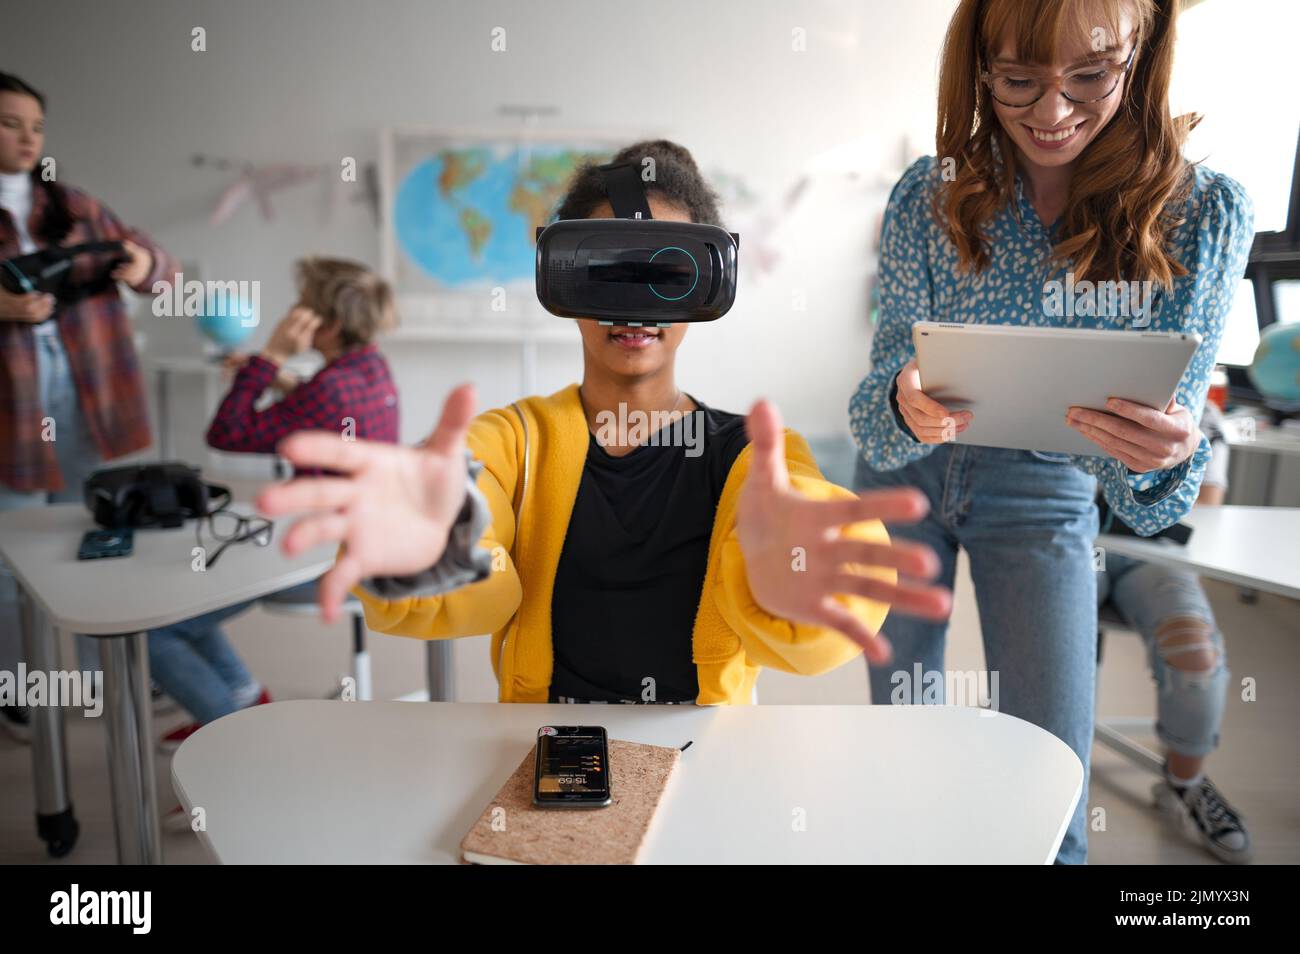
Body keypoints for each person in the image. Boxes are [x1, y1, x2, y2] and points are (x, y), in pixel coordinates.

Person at [259, 140, 952, 706]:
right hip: (544, 755)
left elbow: (805, 514)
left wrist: (807, 573)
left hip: (707, 764)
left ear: (705, 288)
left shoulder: (753, 456)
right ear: (564, 280)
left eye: (665, 274)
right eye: (606, 271)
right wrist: (437, 543)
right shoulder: (515, 442)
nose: (634, 307)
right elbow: (471, 513)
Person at [848, 0, 1253, 863]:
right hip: (908, 477)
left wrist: (1170, 450)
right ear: (979, 66)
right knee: (899, 743)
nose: (1053, 113)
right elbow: (872, 418)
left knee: (1050, 769)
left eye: (1091, 76)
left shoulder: (1199, 212)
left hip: (1046, 484)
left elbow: (1149, 500)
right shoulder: (930, 191)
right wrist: (897, 402)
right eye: (1018, 80)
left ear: (1141, 54)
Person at [150, 256, 399, 761]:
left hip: (322, 558)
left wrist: (268, 359)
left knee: (156, 628)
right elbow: (327, 408)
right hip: (362, 542)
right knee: (188, 595)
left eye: (301, 304)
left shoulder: (328, 389)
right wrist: (281, 380)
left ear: (325, 324)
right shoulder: (371, 366)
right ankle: (239, 698)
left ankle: (243, 749)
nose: (292, 312)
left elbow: (227, 434)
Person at [0, 72, 177, 740]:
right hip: (12, 401)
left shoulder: (74, 205)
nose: (26, 138)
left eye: (35, 126)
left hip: (86, 389)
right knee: (11, 548)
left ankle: (109, 670)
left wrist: (142, 265)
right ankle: (22, 682)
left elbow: (163, 269)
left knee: (94, 528)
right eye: (10, 123)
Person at [1096, 400, 1249, 863]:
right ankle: (1047, 773)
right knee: (1054, 633)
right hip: (1077, 539)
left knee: (1195, 653)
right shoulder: (1090, 386)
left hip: (1158, 555)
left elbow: (1205, 508)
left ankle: (1186, 783)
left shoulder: (1206, 419)